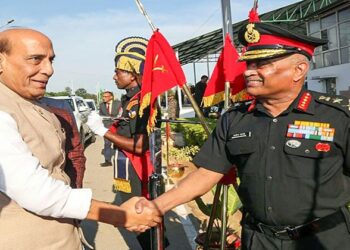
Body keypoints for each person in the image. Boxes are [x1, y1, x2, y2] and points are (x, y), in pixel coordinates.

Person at [135, 15, 350, 250]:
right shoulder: (236, 118)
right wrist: (157, 206)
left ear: (299, 70)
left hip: (323, 241)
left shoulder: (337, 116)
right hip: (258, 240)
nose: (249, 72)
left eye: (262, 64)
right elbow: (206, 173)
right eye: (249, 64)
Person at [0, 28, 160, 249]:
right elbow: (36, 191)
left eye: (50, 60)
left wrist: (103, 133)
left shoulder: (32, 102)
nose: (49, 70)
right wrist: (119, 215)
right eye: (35, 59)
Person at [87, 36, 163, 250]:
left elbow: (140, 146)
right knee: (141, 221)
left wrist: (102, 132)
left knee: (140, 218)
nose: (114, 76)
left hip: (138, 170)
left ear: (131, 74)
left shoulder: (141, 102)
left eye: (118, 71)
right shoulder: (131, 99)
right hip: (130, 168)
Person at [40, 96, 86, 188]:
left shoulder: (59, 108)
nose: (45, 80)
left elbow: (75, 154)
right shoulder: (6, 108)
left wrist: (74, 190)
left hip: (57, 190)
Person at [99, 90, 121, 167]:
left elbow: (122, 114)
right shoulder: (101, 105)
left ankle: (118, 160)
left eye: (105, 96)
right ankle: (107, 161)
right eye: (103, 96)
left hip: (117, 127)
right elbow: (101, 116)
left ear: (111, 97)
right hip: (106, 128)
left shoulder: (118, 103)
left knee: (118, 143)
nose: (103, 98)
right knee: (107, 144)